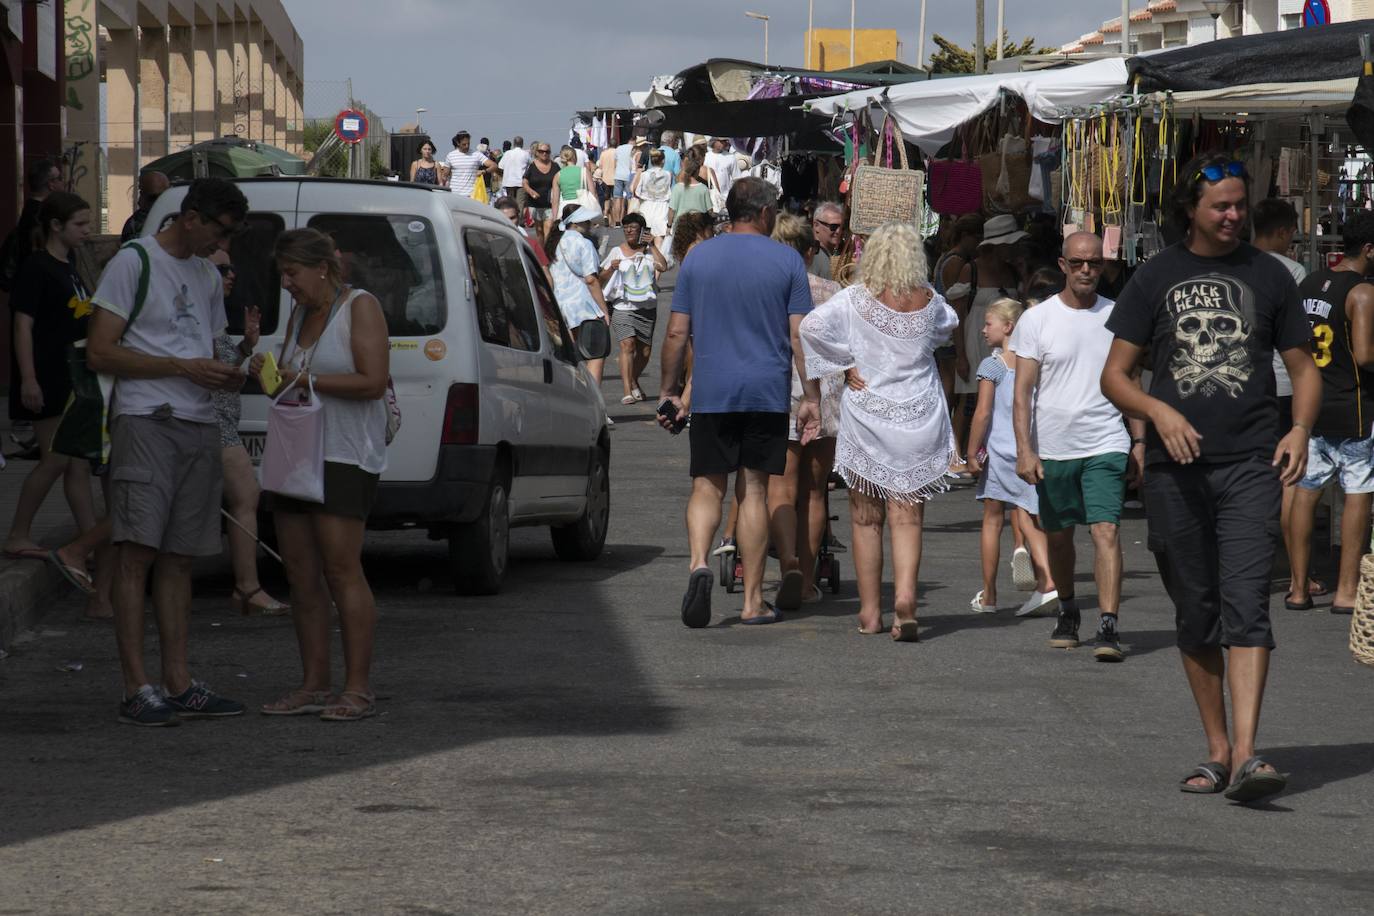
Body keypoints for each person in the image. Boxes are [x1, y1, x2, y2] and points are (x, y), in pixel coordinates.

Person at [1101, 152, 1318, 802]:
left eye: (1239, 205)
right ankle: (1218, 750)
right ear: (1190, 210)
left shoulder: (1270, 277)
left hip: (1252, 465)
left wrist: (1300, 429)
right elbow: (1115, 374)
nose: (1232, 216)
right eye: (1220, 206)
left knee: (1246, 604)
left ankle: (1250, 754)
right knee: (1195, 613)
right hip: (1175, 474)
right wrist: (1156, 410)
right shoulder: (1155, 276)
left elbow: (1304, 369)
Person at [87, 177, 249, 727]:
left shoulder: (206, 274)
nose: (221, 246)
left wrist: (226, 373)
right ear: (191, 216)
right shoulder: (134, 262)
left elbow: (202, 349)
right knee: (137, 554)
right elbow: (101, 353)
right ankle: (138, 686)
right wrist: (183, 368)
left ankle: (178, 682)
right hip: (146, 419)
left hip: (198, 422)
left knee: (180, 560)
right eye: (219, 231)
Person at [658, 177, 818, 628]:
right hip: (765, 392)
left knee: (707, 486)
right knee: (754, 492)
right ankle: (752, 602)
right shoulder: (787, 260)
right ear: (766, 213)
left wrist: (670, 392)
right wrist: (811, 397)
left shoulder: (698, 258)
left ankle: (698, 564)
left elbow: (675, 334)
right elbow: (799, 337)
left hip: (712, 391)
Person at [247, 228, 389, 721]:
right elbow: (285, 387)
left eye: (292, 273)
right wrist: (264, 372)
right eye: (282, 274)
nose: (286, 283)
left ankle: (358, 688)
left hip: (345, 455)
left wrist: (302, 378)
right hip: (296, 455)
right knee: (301, 576)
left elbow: (371, 383)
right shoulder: (299, 315)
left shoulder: (360, 307)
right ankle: (313, 684)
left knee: (340, 569)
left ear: (322, 268)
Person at [799, 222, 957, 641]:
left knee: (866, 519)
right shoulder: (929, 299)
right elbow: (947, 327)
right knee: (908, 517)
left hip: (869, 413)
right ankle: (904, 598)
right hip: (920, 414)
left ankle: (871, 612)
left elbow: (810, 328)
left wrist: (846, 362)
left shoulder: (855, 298)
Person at [1012, 232, 1141, 662]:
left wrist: (1138, 441)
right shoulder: (1037, 320)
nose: (1088, 270)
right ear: (1063, 265)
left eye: (1096, 263)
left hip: (1105, 440)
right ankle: (1068, 609)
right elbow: (1022, 392)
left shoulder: (1117, 316)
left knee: (1106, 529)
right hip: (1053, 447)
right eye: (1079, 263)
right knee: (1060, 536)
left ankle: (1109, 623)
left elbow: (1131, 382)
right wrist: (1025, 450)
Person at [3, 192, 100, 563]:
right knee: (56, 458)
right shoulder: (37, 267)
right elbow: (22, 326)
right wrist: (28, 379)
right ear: (56, 226)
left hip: (73, 375)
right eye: (80, 224)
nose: (87, 231)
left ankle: (89, 539)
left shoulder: (70, 263)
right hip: (47, 375)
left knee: (75, 461)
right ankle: (18, 533)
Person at [1285, 211, 1374, 615]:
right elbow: (1365, 354)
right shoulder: (1363, 293)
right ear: (1368, 249)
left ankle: (1299, 588)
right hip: (1354, 407)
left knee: (1307, 492)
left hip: (1312, 404)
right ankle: (1345, 590)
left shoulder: (1309, 284)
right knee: (1357, 493)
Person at [206, 249, 288, 617]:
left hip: (218, 421)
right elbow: (206, 367)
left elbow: (218, 360)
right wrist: (243, 368)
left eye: (232, 267)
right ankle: (247, 587)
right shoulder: (196, 309)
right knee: (245, 495)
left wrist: (245, 347)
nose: (231, 275)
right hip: (210, 423)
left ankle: (246, 587)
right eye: (222, 268)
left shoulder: (212, 311)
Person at [965, 297, 1058, 617]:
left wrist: (971, 451)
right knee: (1030, 516)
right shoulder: (1033, 363)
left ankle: (991, 594)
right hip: (1029, 448)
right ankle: (1047, 578)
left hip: (999, 452)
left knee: (992, 521)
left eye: (988, 323)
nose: (983, 329)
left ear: (1008, 327)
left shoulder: (993, 365)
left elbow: (983, 413)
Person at [769, 214, 844, 605]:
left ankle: (788, 567)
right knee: (815, 493)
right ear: (810, 250)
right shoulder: (832, 291)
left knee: (781, 487)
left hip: (782, 393)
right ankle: (810, 579)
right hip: (826, 395)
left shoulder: (768, 290)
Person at [1251, 198, 1317, 599]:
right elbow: (1301, 339)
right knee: (1289, 476)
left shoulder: (1235, 263)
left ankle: (1254, 565)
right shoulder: (1293, 271)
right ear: (1283, 232)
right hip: (1286, 385)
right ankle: (1297, 577)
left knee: (1253, 475)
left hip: (1251, 387)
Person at [952, 214, 1024, 473]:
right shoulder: (970, 269)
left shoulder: (1013, 270)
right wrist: (960, 353)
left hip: (1006, 342)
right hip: (976, 337)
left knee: (1001, 397)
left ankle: (990, 449)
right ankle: (957, 455)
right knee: (969, 398)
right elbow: (957, 314)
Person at [601, 213, 667, 405]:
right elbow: (599, 278)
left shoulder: (649, 253)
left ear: (643, 231)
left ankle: (633, 379)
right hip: (623, 306)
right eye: (626, 227)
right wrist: (611, 269)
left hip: (647, 308)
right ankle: (627, 391)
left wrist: (652, 245)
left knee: (645, 352)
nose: (629, 231)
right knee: (627, 345)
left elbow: (662, 267)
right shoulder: (616, 252)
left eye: (633, 227)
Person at [547, 205, 611, 392]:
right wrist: (604, 310)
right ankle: (593, 401)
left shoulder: (554, 242)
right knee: (596, 354)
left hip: (560, 305)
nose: (590, 224)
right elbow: (591, 279)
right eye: (586, 220)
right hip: (583, 306)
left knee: (570, 357)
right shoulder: (584, 243)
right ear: (575, 223)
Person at [0, 157, 64, 295]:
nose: (63, 182)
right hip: (36, 294)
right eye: (60, 178)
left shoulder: (33, 211)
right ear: (51, 184)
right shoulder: (41, 216)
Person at [667, 147, 713, 235]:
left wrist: (669, 226)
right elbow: (710, 210)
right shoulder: (703, 188)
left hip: (680, 226)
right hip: (698, 226)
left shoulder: (677, 186)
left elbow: (671, 210)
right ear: (697, 171)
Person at [632, 149, 673, 245]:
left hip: (647, 206)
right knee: (660, 237)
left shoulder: (644, 175)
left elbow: (637, 192)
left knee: (644, 236)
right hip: (662, 207)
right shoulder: (668, 174)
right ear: (663, 161)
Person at [521, 142, 560, 242]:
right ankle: (542, 253)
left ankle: (548, 252)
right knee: (539, 231)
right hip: (535, 204)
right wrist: (530, 191)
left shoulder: (555, 166)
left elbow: (561, 180)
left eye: (547, 151)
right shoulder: (532, 166)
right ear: (537, 153)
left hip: (550, 204)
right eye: (541, 151)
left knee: (548, 227)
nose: (544, 154)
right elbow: (524, 182)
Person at [445, 131, 497, 198]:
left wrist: (484, 171)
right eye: (464, 144)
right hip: (455, 194)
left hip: (472, 195)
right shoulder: (450, 155)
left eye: (468, 143)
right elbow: (444, 175)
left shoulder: (476, 154)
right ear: (458, 143)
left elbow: (494, 166)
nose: (467, 146)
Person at [809, 202, 846, 281]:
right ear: (816, 225)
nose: (839, 231)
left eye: (842, 227)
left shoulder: (825, 253)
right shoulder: (811, 254)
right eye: (833, 226)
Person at [551, 146, 589, 217]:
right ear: (575, 157)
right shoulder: (584, 171)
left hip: (565, 208)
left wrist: (555, 217)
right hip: (582, 207)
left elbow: (555, 200)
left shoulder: (557, 175)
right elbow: (593, 193)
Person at [704, 138, 739, 204]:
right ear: (714, 141)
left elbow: (736, 178)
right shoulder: (706, 157)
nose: (724, 143)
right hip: (711, 198)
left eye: (726, 141)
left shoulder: (731, 157)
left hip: (727, 198)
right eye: (722, 141)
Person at [498, 136, 529, 210]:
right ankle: (519, 220)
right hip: (521, 182)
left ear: (513, 144)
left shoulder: (507, 153)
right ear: (522, 144)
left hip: (509, 182)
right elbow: (530, 166)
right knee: (520, 204)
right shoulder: (525, 154)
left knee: (510, 204)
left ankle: (510, 219)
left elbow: (500, 167)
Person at [612, 135, 636, 227]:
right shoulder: (633, 149)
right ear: (633, 141)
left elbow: (615, 164)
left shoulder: (618, 148)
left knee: (617, 198)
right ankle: (629, 220)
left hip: (618, 175)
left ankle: (617, 222)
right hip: (628, 176)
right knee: (629, 198)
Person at [596, 143, 619, 222]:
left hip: (605, 179)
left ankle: (605, 214)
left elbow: (600, 166)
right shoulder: (617, 152)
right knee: (615, 199)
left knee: (607, 198)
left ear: (609, 145)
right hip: (615, 179)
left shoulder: (603, 153)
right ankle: (616, 219)